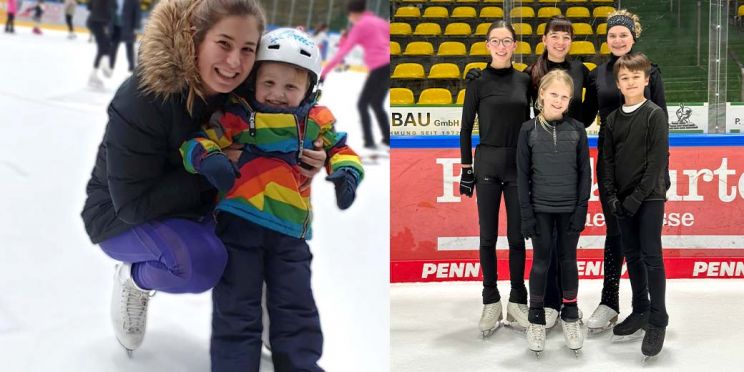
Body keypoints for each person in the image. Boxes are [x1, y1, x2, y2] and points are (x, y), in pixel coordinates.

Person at [80, 0, 327, 358]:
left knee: (266, 229)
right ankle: (134, 280)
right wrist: (210, 173)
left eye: (246, 50)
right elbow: (132, 205)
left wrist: (311, 152)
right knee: (200, 262)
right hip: (122, 215)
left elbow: (294, 106)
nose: (234, 63)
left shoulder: (243, 93)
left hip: (200, 204)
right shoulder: (142, 99)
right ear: (194, 37)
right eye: (224, 44)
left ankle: (262, 304)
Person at [181, 27, 364, 371]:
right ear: (254, 81)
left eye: (290, 86)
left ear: (309, 89)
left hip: (290, 233)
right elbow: (195, 143)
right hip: (238, 227)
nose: (278, 94)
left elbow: (342, 148)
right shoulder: (236, 115)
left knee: (295, 305)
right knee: (237, 306)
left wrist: (345, 173)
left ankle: (300, 365)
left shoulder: (315, 120)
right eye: (269, 83)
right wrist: (211, 160)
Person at [586, 9, 669, 334]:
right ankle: (612, 302)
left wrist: (662, 171)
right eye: (612, 35)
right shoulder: (598, 74)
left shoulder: (650, 70)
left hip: (646, 165)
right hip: (611, 164)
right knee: (617, 235)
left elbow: (661, 122)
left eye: (623, 34)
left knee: (646, 246)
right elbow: (581, 115)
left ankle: (651, 311)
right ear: (606, 40)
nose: (618, 39)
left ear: (633, 36)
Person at [459, 20, 531, 337]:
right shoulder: (476, 82)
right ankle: (491, 300)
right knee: (487, 237)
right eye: (495, 41)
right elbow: (464, 129)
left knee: (517, 238)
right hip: (486, 162)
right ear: (488, 45)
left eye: (506, 40)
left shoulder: (526, 80)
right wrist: (465, 168)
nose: (501, 46)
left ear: (515, 45)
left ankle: (518, 301)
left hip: (518, 164)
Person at [516, 69, 590, 355]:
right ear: (542, 94)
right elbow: (523, 176)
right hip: (541, 209)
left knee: (568, 260)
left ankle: (570, 314)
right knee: (541, 262)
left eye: (564, 96)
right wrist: (526, 214)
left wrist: (581, 208)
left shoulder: (576, 129)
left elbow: (585, 173)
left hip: (569, 209)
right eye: (554, 94)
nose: (558, 101)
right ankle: (536, 317)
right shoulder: (528, 130)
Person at [601, 52, 669, 359]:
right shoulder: (613, 119)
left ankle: (658, 317)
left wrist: (636, 198)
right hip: (622, 201)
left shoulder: (655, 114)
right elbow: (608, 162)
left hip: (649, 197)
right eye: (624, 78)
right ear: (618, 83)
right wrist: (614, 197)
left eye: (635, 77)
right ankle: (640, 308)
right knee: (632, 255)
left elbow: (656, 162)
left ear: (646, 79)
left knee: (651, 255)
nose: (630, 82)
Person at [320, 0, 390, 152]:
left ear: (353, 14)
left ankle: (369, 142)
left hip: (379, 66)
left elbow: (342, 52)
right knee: (377, 103)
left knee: (363, 104)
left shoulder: (360, 26)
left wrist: (324, 73)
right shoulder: (380, 22)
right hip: (390, 65)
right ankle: (388, 138)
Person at [86, 0, 114, 88]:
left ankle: (94, 73)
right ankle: (104, 66)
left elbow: (89, 6)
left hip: (93, 21)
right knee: (104, 47)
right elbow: (110, 11)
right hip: (99, 23)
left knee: (103, 47)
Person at [110, 0, 142, 72]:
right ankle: (111, 65)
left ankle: (131, 66)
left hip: (128, 27)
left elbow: (137, 12)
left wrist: (136, 27)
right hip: (116, 27)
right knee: (113, 47)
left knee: (129, 48)